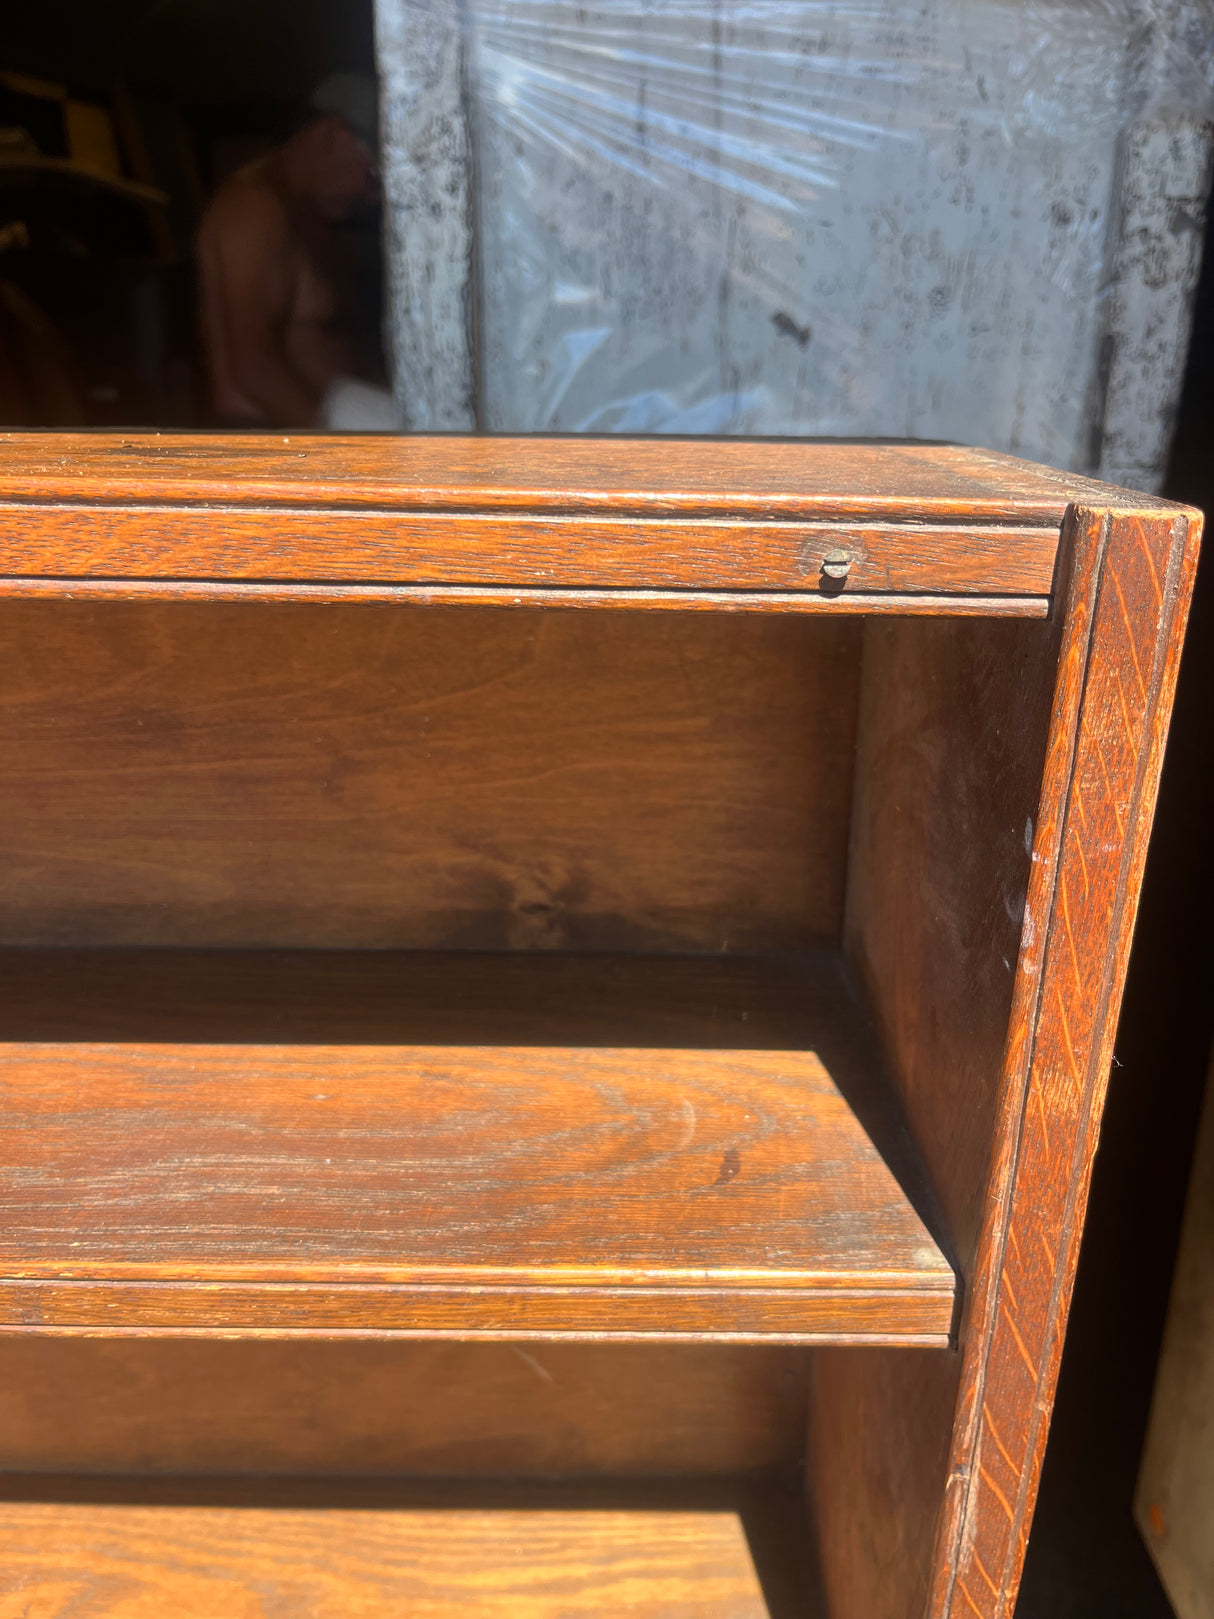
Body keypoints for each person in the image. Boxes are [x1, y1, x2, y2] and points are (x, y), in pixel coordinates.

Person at [198, 74, 397, 429]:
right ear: (333, 136)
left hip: (334, 433)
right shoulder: (254, 211)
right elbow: (251, 368)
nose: (373, 196)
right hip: (278, 448)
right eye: (373, 175)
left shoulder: (308, 214)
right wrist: (338, 460)